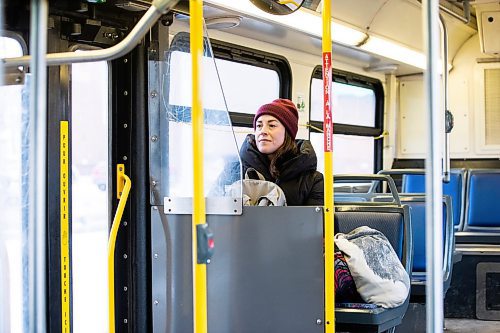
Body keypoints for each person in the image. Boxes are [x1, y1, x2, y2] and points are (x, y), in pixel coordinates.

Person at [238, 98, 324, 206]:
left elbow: (313, 221)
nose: (263, 131)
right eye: (259, 125)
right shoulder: (235, 171)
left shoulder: (312, 181)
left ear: (288, 132)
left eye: (272, 125)